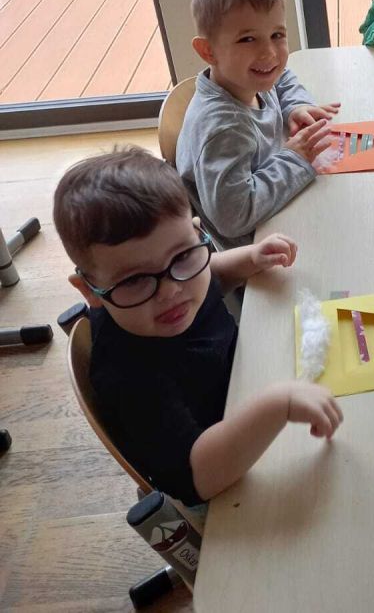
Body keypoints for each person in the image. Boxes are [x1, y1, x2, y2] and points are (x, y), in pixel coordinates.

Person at [53, 147, 342, 505]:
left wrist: (249, 259)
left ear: (196, 233)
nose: (171, 291)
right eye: (135, 280)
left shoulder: (173, 282)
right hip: (227, 476)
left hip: (248, 386)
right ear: (89, 290)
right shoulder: (126, 377)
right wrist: (277, 405)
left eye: (183, 256)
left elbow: (209, 274)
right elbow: (198, 478)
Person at [177, 0, 339, 250]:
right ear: (208, 51)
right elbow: (234, 216)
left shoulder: (247, 77)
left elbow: (282, 77)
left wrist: (296, 105)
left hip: (275, 207)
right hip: (252, 249)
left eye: (277, 34)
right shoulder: (224, 128)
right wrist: (295, 158)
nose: (269, 53)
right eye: (248, 39)